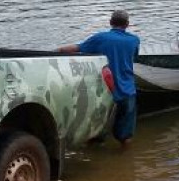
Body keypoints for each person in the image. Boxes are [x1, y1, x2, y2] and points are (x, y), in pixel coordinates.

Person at [58, 10, 141, 147]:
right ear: (127, 24)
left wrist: (59, 50)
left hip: (104, 91)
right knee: (125, 134)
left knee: (96, 131)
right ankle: (125, 158)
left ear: (110, 22)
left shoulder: (100, 38)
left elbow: (78, 48)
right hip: (127, 90)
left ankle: (96, 149)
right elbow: (135, 58)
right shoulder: (134, 40)